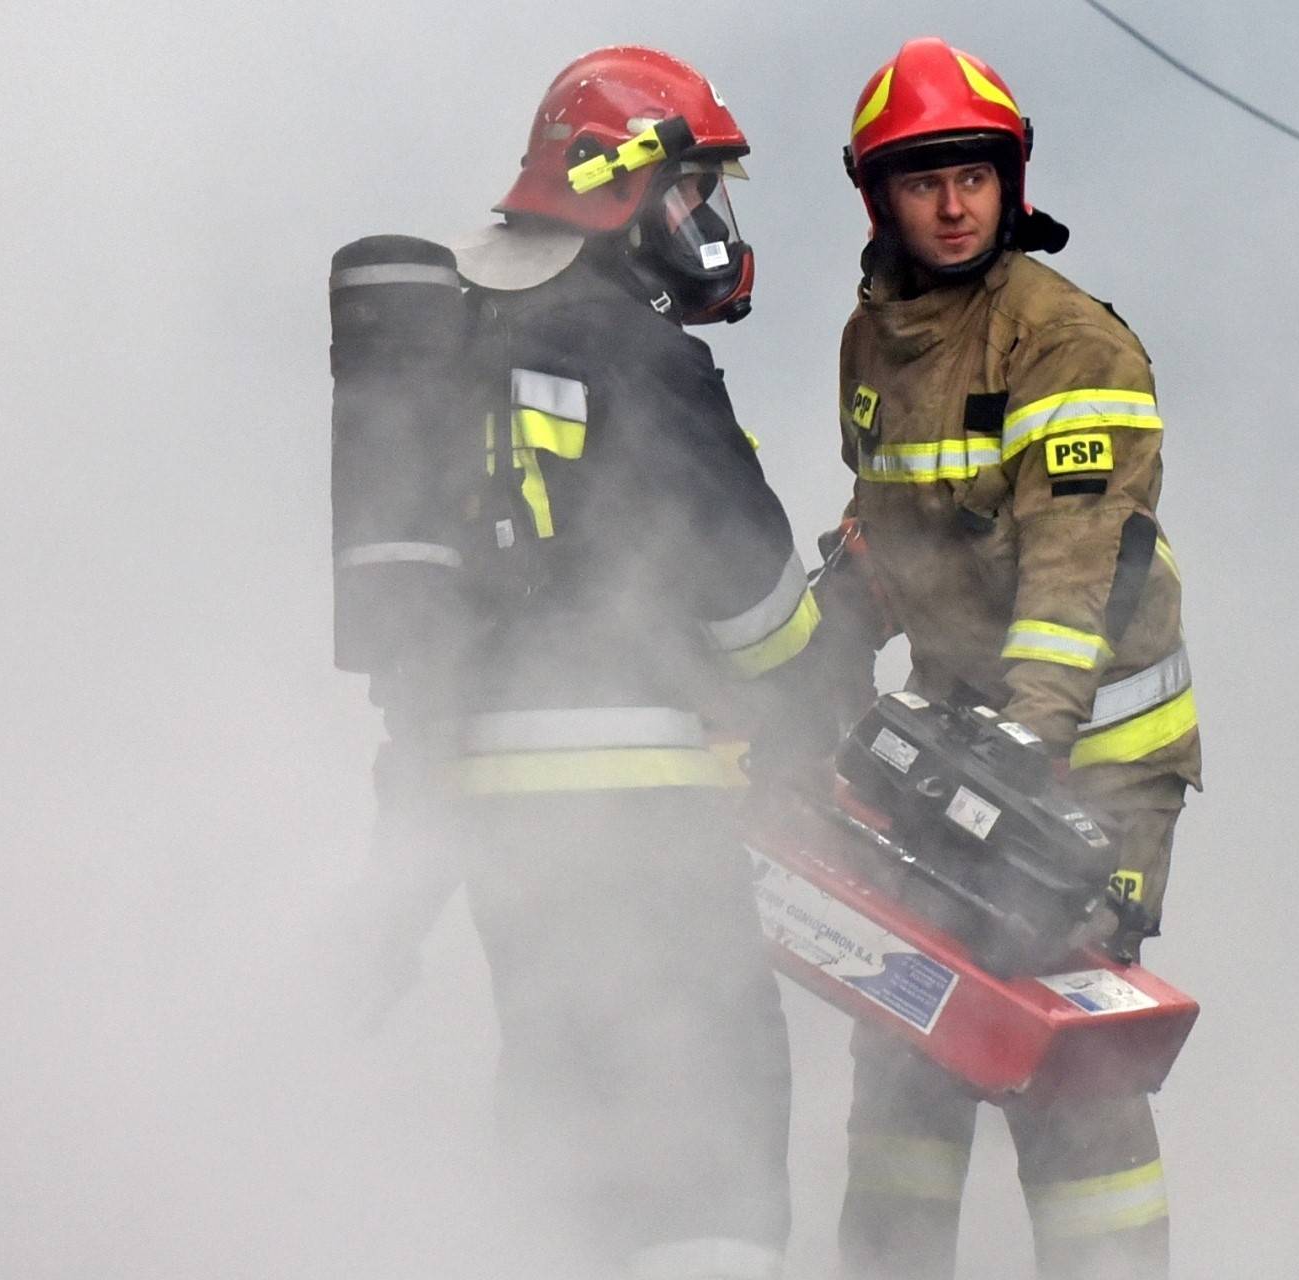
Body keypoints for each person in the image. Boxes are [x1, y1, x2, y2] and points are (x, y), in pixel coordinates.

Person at [330, 46, 825, 1280]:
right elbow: (753, 603)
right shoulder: (634, 349)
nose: (706, 223)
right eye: (696, 190)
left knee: (567, 1118)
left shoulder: (460, 339)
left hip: (509, 846)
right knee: (708, 1125)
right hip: (646, 826)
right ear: (629, 186)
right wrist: (824, 686)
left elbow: (434, 650)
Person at [818, 37, 1203, 1280]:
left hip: (1096, 759)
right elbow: (887, 529)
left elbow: (1078, 563)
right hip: (969, 738)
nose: (951, 202)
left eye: (972, 175)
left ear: (1009, 183)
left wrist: (1027, 739)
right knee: (909, 1027)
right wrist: (811, 655)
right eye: (923, 178)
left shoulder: (1067, 345)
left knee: (1064, 1045)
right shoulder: (872, 340)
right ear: (881, 196)